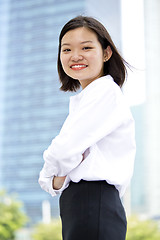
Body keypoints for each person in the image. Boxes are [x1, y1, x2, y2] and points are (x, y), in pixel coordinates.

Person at [39, 16, 136, 240]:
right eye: (66, 49)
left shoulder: (104, 92)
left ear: (106, 53)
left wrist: (49, 178)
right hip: (87, 206)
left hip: (93, 203)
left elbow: (63, 150)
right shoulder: (89, 98)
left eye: (86, 47)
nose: (75, 56)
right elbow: (68, 152)